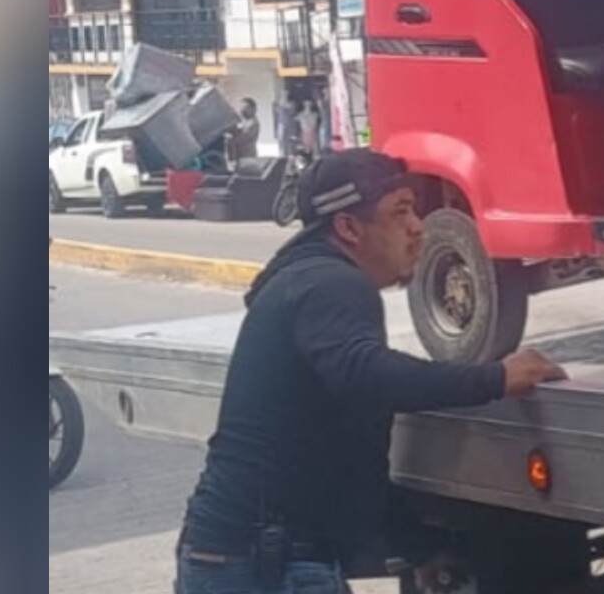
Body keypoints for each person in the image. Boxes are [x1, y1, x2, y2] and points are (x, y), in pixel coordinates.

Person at [176, 149, 565, 592]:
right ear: (347, 227)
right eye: (400, 212)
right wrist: (497, 377)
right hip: (265, 564)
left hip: (251, 555)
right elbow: (367, 374)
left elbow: (353, 457)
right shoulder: (331, 283)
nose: (418, 225)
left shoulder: (307, 281)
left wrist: (416, 548)